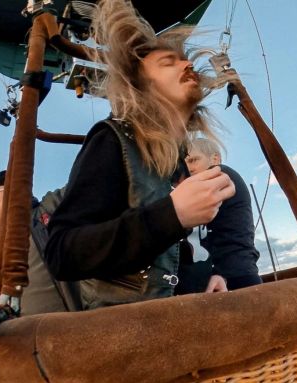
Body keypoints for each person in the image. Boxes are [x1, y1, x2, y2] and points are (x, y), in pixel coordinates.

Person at [44, 0, 235, 309]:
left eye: (184, 60)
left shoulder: (186, 157)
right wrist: (171, 215)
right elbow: (63, 253)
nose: (186, 65)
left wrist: (209, 275)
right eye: (167, 62)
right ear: (140, 84)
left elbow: (176, 254)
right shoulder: (112, 140)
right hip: (132, 336)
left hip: (188, 321)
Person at [0, 170, 75, 315]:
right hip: (17, 335)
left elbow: (84, 182)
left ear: (8, 191)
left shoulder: (46, 214)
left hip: (64, 330)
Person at [183, 138, 262, 292]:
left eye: (193, 160)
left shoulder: (222, 174)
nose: (188, 168)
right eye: (185, 163)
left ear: (215, 158)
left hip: (236, 275)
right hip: (221, 276)